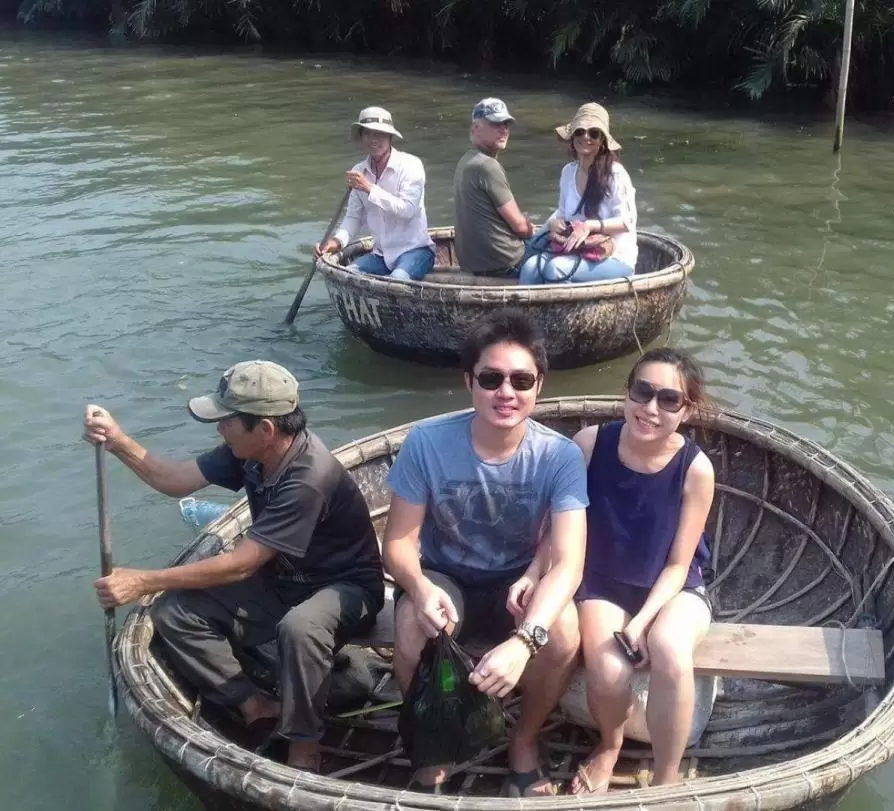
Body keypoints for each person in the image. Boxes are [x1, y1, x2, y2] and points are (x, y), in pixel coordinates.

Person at [83, 360, 385, 772]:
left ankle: (305, 746)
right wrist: (118, 441)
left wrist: (143, 581)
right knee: (176, 612)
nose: (219, 429)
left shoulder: (308, 477)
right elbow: (175, 479)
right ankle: (254, 704)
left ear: (265, 429)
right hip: (283, 579)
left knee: (300, 627)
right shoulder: (248, 452)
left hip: (345, 588)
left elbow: (242, 565)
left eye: (226, 422)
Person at [382, 308, 587, 796]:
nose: (506, 392)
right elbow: (398, 542)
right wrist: (419, 585)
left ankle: (524, 739)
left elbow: (570, 560)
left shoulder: (559, 456)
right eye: (492, 378)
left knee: (563, 631)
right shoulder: (427, 444)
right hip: (445, 576)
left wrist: (524, 641)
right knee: (411, 627)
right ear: (469, 381)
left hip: (515, 581)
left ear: (540, 385)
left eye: (521, 379)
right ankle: (435, 741)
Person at [567, 347, 715, 794]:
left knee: (669, 647)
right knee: (610, 671)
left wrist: (642, 623)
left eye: (669, 400)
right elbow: (564, 527)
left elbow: (678, 564)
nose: (650, 409)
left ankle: (667, 781)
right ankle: (609, 746)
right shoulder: (590, 444)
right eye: (642, 392)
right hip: (600, 584)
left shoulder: (696, 469)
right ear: (627, 393)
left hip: (673, 589)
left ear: (687, 410)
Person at [519, 103, 638, 285]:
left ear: (602, 141)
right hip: (575, 251)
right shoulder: (568, 172)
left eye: (594, 133)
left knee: (555, 268)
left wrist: (589, 226)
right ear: (573, 137)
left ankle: (560, 313)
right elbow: (562, 212)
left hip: (614, 257)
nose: (586, 137)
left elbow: (626, 222)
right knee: (530, 267)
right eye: (580, 132)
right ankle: (523, 313)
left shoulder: (616, 174)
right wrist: (553, 223)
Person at [315, 106, 435, 281]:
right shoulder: (359, 171)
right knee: (347, 276)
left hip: (415, 251)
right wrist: (335, 243)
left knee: (397, 280)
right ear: (361, 137)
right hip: (381, 255)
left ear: (389, 137)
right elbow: (353, 218)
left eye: (379, 134)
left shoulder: (411, 165)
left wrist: (370, 188)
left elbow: (408, 210)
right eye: (367, 134)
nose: (373, 140)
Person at [453, 98, 534, 276]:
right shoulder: (487, 166)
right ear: (475, 128)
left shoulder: (466, 160)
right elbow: (521, 228)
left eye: (506, 124)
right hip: (506, 262)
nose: (504, 130)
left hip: (474, 263)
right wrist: (531, 227)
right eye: (496, 124)